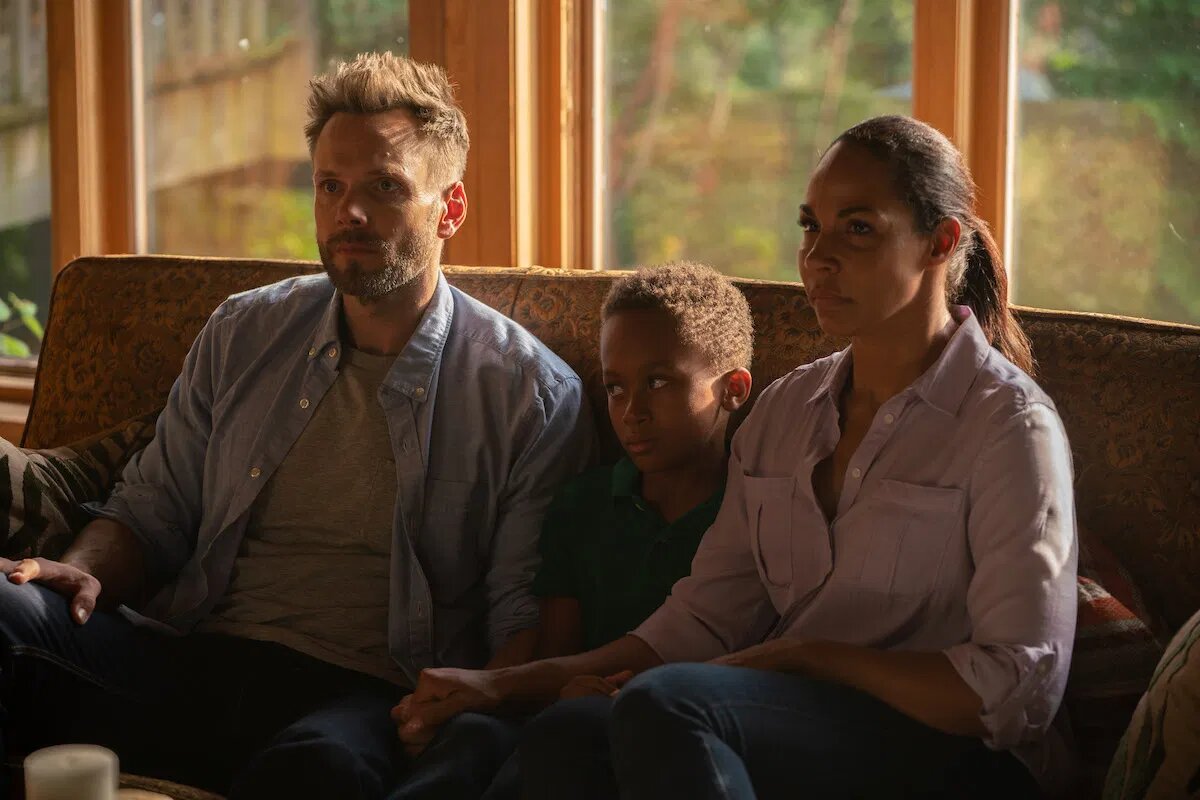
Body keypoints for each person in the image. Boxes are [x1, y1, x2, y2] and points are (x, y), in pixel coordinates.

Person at [396, 114, 1079, 799]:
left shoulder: (1008, 427)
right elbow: (700, 621)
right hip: (805, 727)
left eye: (858, 228)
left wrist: (809, 658)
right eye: (810, 226)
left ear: (940, 243)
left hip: (959, 753)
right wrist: (500, 684)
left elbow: (1020, 687)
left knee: (668, 706)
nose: (819, 256)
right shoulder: (786, 414)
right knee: (570, 731)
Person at [0, 52, 591, 799]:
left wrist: (469, 713)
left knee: (321, 770)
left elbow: (519, 613)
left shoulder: (530, 394)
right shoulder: (244, 331)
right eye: (330, 186)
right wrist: (82, 567)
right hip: (196, 658)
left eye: (384, 187)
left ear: (450, 208)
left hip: (367, 694)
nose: (349, 213)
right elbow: (150, 510)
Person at [389, 261, 753, 799]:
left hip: (680, 725)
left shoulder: (754, 512)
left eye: (658, 382)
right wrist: (560, 689)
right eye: (615, 387)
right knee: (475, 738)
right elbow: (556, 650)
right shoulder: (584, 503)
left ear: (733, 389)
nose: (632, 412)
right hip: (566, 711)